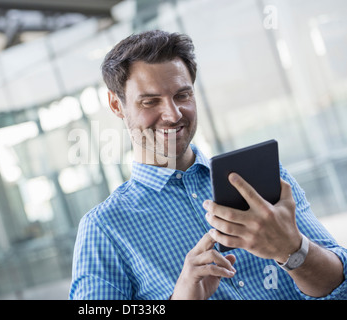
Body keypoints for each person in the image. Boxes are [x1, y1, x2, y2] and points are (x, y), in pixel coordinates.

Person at [68, 30, 347, 300]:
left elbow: (341, 285)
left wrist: (293, 250)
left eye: (182, 95)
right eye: (150, 101)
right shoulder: (104, 229)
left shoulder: (262, 180)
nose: (173, 114)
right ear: (116, 106)